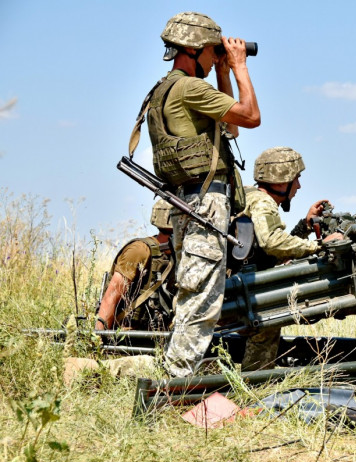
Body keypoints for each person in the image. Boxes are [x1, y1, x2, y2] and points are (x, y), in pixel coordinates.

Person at [140, 12, 260, 377]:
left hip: (186, 203)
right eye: (212, 51)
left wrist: (222, 73)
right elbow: (250, 116)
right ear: (193, 50)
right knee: (203, 301)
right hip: (206, 203)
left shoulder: (165, 88)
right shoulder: (192, 88)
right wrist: (239, 67)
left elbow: (230, 130)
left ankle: (170, 373)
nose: (215, 57)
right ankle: (172, 383)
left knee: (191, 293)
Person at [238, 146, 343, 370]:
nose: (299, 185)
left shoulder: (249, 196)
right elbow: (272, 242)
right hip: (246, 290)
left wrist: (305, 225)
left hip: (239, 281)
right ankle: (254, 387)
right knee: (268, 323)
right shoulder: (264, 203)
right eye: (296, 178)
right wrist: (318, 246)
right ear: (280, 180)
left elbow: (272, 248)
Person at [95, 199, 176, 332]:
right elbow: (111, 297)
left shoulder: (179, 256)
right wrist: (98, 340)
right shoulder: (140, 250)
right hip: (127, 335)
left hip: (157, 336)